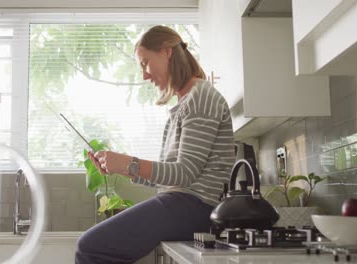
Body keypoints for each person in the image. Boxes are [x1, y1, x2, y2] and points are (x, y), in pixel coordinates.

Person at [75, 25, 236, 264]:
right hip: (185, 204)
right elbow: (173, 176)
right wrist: (122, 167)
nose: (144, 76)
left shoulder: (201, 96)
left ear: (167, 51)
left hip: (195, 206)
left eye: (145, 63)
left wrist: (129, 163)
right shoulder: (185, 103)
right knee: (91, 246)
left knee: (90, 247)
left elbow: (184, 173)